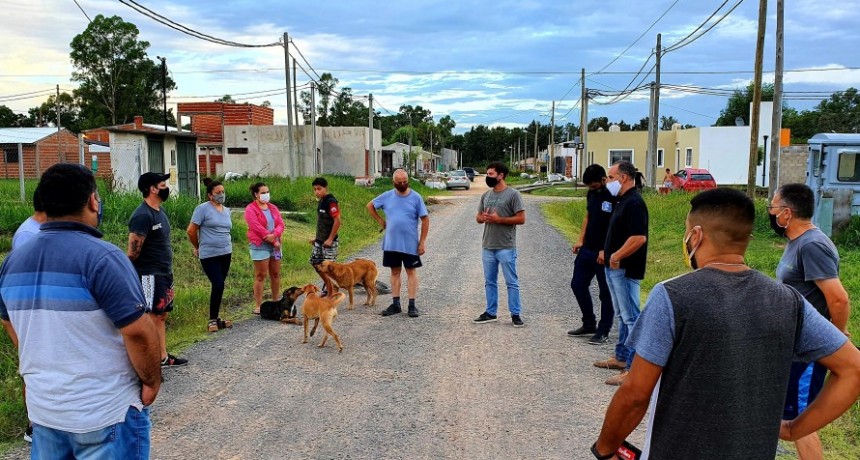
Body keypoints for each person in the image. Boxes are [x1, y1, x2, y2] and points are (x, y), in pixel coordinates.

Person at [592, 188, 860, 460]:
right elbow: (854, 369)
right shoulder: (789, 301)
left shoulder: (671, 295)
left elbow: (636, 393)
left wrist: (605, 448)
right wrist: (794, 428)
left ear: (695, 235)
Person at [0, 163, 162, 458]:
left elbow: (10, 324)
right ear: (91, 201)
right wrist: (151, 380)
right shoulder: (103, 257)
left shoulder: (13, 261)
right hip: (104, 413)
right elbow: (138, 331)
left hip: (45, 411)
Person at [769, 183, 852, 459]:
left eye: (773, 207)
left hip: (807, 352)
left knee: (802, 423)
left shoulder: (813, 245)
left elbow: (838, 299)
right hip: (790, 348)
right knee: (784, 416)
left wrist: (833, 340)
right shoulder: (798, 242)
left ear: (787, 213)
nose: (770, 212)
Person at [593, 160, 648, 386]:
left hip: (624, 269)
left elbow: (638, 237)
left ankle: (633, 370)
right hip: (613, 266)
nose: (609, 181)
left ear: (624, 178)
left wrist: (616, 256)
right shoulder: (621, 200)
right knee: (622, 315)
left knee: (631, 318)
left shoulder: (634, 203)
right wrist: (607, 252)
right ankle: (621, 357)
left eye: (612, 177)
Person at [128, 172, 187, 367]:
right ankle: (151, 360)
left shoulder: (159, 211)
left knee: (161, 315)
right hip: (149, 273)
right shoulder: (143, 215)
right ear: (152, 189)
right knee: (151, 315)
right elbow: (133, 250)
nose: (166, 187)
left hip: (163, 272)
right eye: (162, 184)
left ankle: (162, 357)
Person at [366, 169, 429, 318]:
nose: (402, 184)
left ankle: (412, 305)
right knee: (394, 272)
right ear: (393, 182)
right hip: (391, 244)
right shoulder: (387, 196)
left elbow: (425, 219)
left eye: (405, 182)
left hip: (410, 244)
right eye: (399, 182)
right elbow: (370, 205)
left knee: (411, 272)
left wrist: (422, 242)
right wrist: (381, 221)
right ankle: (395, 304)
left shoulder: (416, 197)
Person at [472, 161, 527, 327]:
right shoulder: (486, 196)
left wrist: (500, 219)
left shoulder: (513, 195)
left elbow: (521, 219)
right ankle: (490, 312)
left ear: (500, 175)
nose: (488, 177)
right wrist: (482, 218)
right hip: (488, 245)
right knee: (490, 281)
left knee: (511, 282)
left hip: (506, 246)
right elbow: (478, 217)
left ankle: (515, 314)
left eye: (490, 174)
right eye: (487, 174)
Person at [10, 186, 45, 443]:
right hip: (33, 316)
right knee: (33, 368)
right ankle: (34, 425)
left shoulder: (38, 231)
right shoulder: (28, 235)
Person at [568, 164, 615, 345]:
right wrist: (580, 239)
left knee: (605, 293)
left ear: (603, 180)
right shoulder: (592, 194)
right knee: (577, 284)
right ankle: (589, 323)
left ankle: (603, 330)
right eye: (589, 187)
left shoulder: (613, 197)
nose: (592, 189)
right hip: (587, 248)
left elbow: (613, 226)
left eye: (594, 186)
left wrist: (605, 249)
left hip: (604, 251)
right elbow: (588, 217)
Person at [187, 178, 234, 333]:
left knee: (220, 286)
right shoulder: (202, 209)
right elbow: (191, 231)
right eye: (218, 193)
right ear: (210, 195)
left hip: (225, 252)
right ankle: (212, 319)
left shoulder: (226, 210)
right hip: (209, 254)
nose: (221, 195)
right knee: (218, 283)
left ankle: (217, 317)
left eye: (223, 192)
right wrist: (197, 246)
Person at [244, 182, 284, 315]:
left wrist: (275, 235)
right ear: (256, 194)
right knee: (261, 275)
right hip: (260, 245)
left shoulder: (273, 208)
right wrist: (269, 237)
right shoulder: (251, 209)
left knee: (276, 274)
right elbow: (256, 226)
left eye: (267, 192)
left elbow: (280, 224)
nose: (266, 195)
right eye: (263, 192)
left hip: (276, 245)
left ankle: (275, 301)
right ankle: (258, 305)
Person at [309, 177, 341, 295]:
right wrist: (316, 238)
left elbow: (337, 221)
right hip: (320, 240)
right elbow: (322, 222)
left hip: (329, 242)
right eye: (315, 189)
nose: (317, 191)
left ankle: (331, 291)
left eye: (319, 189)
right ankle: (330, 285)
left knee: (328, 267)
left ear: (325, 188)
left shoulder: (331, 202)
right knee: (315, 262)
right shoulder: (321, 201)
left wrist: (330, 239)